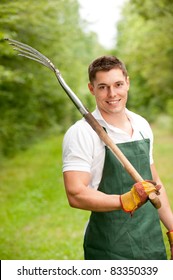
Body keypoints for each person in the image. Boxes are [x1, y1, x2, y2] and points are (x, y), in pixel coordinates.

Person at [62, 55, 173, 260]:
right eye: (103, 87)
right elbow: (75, 193)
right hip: (110, 248)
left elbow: (155, 183)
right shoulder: (82, 133)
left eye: (118, 84)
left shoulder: (141, 125)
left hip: (151, 243)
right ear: (91, 88)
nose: (112, 93)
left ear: (127, 83)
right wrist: (124, 200)